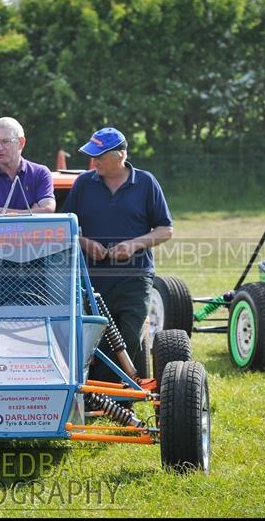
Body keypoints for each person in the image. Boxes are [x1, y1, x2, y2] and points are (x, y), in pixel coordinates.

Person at [62, 127, 173, 382]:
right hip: (91, 279)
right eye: (93, 155)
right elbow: (66, 228)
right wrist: (86, 243)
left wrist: (134, 245)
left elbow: (166, 229)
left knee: (130, 336)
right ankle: (101, 396)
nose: (94, 161)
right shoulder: (83, 184)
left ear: (120, 155)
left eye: (100, 156)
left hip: (135, 277)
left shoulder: (146, 183)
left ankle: (116, 398)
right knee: (94, 338)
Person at [0, 117, 55, 214]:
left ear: (21, 142)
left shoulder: (40, 173)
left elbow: (49, 210)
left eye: (5, 141)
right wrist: (32, 212)